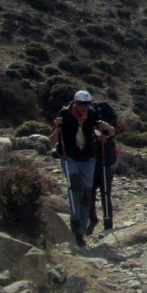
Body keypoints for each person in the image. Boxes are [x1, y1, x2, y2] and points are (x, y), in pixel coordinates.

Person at [52, 89, 115, 247]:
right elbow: (52, 139)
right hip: (70, 156)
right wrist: (57, 128)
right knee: (74, 186)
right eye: (81, 104)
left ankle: (81, 226)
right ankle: (75, 224)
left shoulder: (93, 114)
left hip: (88, 157)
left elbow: (108, 133)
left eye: (86, 104)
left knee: (87, 191)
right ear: (75, 102)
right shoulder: (65, 114)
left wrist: (106, 128)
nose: (84, 108)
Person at [84, 98, 119, 231]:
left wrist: (105, 130)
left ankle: (101, 221)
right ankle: (100, 221)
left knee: (99, 193)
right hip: (98, 161)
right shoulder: (89, 120)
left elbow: (111, 133)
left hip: (100, 161)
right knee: (99, 193)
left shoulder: (104, 121)